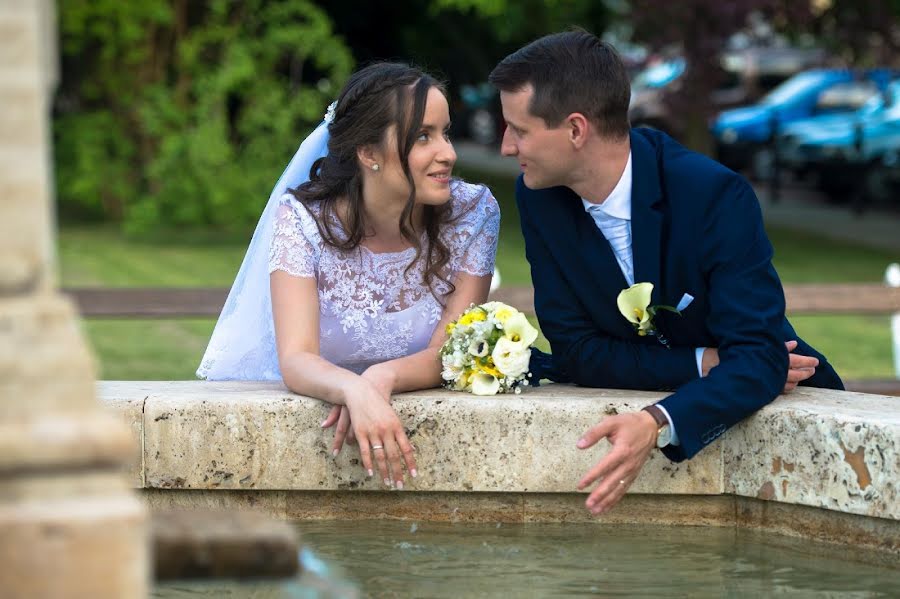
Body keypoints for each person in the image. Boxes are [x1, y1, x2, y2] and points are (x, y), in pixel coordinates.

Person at [488, 31, 843, 515]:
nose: (506, 146)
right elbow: (578, 352)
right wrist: (704, 362)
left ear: (576, 129)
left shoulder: (713, 196)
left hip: (794, 438)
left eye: (519, 130)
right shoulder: (539, 198)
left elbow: (761, 360)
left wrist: (658, 419)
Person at [198, 63, 500, 489]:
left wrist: (380, 378)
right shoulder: (304, 222)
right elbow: (297, 358)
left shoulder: (474, 214)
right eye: (422, 137)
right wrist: (352, 390)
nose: (448, 153)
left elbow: (449, 350)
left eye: (446, 132)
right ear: (368, 153)